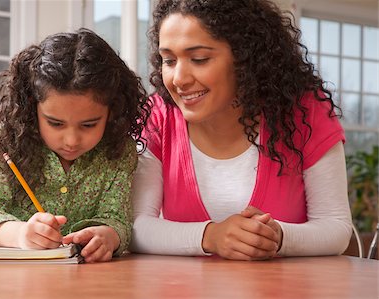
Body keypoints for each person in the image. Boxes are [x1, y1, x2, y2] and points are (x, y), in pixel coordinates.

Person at [130, 0, 352, 260]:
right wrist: (211, 236)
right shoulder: (158, 116)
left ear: (246, 57)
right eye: (168, 60)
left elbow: (336, 227)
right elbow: (135, 227)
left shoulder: (305, 113)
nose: (179, 79)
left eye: (199, 59)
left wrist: (277, 237)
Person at [0, 28, 151, 263]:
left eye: (88, 125)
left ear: (113, 111)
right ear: (31, 106)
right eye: (55, 123)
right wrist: (19, 235)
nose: (71, 140)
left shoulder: (118, 151)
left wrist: (109, 235)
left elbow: (116, 217)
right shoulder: (8, 141)